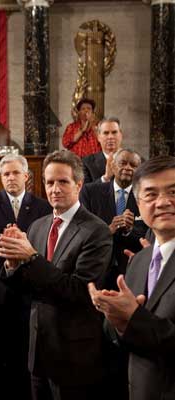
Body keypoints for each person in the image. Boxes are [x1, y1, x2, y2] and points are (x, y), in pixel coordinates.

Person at [0, 150, 112, 400]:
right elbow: (29, 287)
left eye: (63, 181)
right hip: (39, 352)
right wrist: (13, 265)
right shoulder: (38, 225)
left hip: (74, 354)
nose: (55, 189)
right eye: (49, 182)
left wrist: (31, 258)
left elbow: (79, 291)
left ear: (79, 184)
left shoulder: (97, 231)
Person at [88, 156, 175, 400]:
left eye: (173, 191)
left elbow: (139, 322)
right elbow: (119, 336)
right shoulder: (139, 261)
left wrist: (133, 318)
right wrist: (115, 317)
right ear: (138, 203)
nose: (163, 202)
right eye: (150, 194)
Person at [0, 154, 51, 400]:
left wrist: (22, 243)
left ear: (26, 176)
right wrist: (11, 241)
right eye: (6, 174)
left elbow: (43, 242)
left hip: (27, 288)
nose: (11, 178)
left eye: (16, 173)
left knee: (23, 351)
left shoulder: (42, 206)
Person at [80, 148, 147, 288]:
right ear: (112, 166)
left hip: (133, 270)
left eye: (133, 165)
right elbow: (82, 230)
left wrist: (129, 230)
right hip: (96, 269)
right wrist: (107, 230)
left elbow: (149, 235)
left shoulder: (146, 197)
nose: (128, 168)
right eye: (123, 163)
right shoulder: (91, 192)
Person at [82, 116, 123, 183]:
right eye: (106, 133)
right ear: (98, 137)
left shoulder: (137, 160)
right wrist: (105, 178)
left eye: (114, 132)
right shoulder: (87, 162)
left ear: (121, 135)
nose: (110, 137)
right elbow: (84, 191)